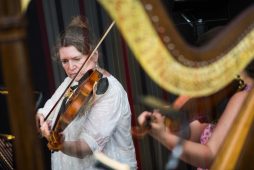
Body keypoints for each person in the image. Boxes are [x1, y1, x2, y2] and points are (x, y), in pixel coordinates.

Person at [137, 27, 254, 169]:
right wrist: (166, 124)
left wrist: (163, 136)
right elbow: (191, 134)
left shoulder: (244, 98)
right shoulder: (229, 97)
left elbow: (211, 156)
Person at [36, 16, 137, 170]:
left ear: (94, 56)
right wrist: (42, 121)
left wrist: (59, 144)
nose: (71, 67)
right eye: (65, 61)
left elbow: (85, 148)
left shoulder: (111, 91)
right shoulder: (70, 82)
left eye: (76, 59)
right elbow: (46, 112)